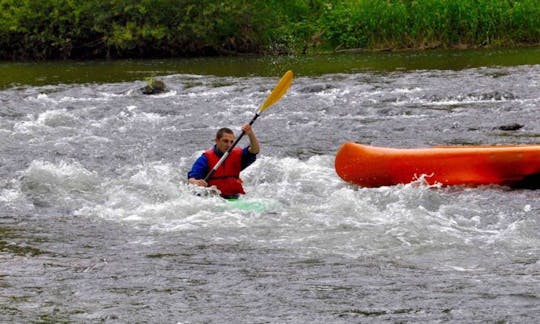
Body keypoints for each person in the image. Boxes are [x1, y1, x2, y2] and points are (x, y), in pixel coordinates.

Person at [188, 123, 259, 199]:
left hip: (236, 198)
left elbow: (254, 150)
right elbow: (191, 179)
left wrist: (250, 133)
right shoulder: (205, 159)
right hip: (215, 199)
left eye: (231, 142)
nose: (229, 145)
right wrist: (197, 183)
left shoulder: (238, 155)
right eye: (225, 141)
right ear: (216, 141)